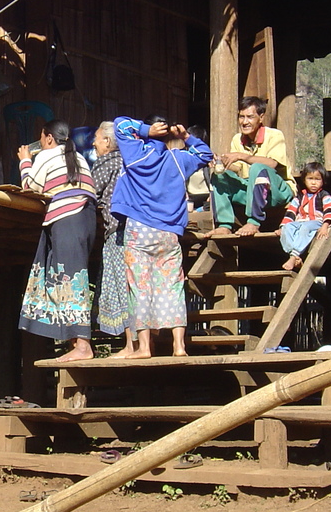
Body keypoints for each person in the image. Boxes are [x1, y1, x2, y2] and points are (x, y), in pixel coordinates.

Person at [109, 115, 213, 358]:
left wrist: (146, 130)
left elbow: (119, 124)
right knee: (173, 286)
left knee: (140, 287)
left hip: (139, 232)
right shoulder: (178, 160)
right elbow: (205, 155)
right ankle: (179, 346)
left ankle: (144, 348)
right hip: (169, 233)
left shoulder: (136, 155)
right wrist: (186, 137)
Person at [17, 119, 99, 361]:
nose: (41, 144)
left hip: (67, 218)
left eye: (42, 139)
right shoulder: (79, 157)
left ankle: (83, 345)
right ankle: (77, 341)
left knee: (69, 277)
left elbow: (31, 186)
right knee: (73, 275)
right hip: (86, 218)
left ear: (49, 139)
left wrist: (25, 161)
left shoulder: (47, 155)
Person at [207, 96, 296, 238]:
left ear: (261, 117)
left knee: (257, 168)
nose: (244, 122)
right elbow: (238, 169)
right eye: (241, 117)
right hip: (251, 189)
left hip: (277, 191)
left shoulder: (274, 135)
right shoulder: (237, 139)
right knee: (219, 175)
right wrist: (223, 163)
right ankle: (224, 225)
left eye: (250, 117)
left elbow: (273, 164)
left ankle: (254, 221)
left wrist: (243, 156)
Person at [90, 121, 129, 339]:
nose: (93, 143)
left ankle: (131, 344)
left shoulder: (108, 162)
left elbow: (90, 192)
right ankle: (134, 342)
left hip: (118, 230)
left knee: (120, 284)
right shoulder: (129, 161)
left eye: (96, 138)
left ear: (107, 141)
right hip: (135, 230)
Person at [279, 162, 331, 272]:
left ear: (323, 181)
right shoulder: (299, 197)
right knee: (286, 229)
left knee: (305, 228)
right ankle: (295, 255)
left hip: (315, 222)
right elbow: (291, 212)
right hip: (299, 222)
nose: (314, 183)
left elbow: (330, 210)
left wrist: (325, 226)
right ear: (304, 180)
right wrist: (282, 227)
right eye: (310, 179)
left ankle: (292, 257)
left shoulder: (324, 195)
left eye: (317, 179)